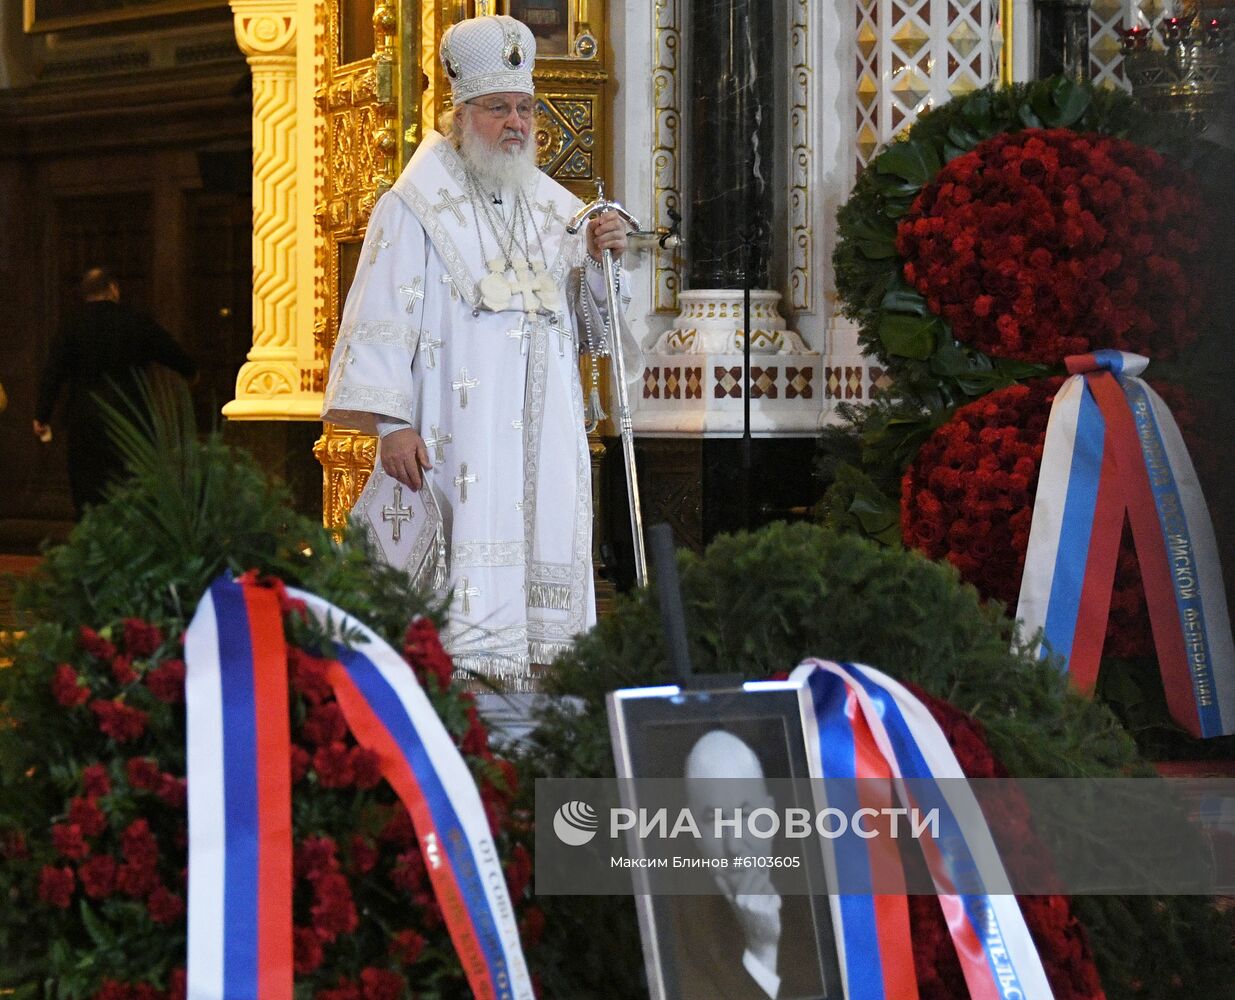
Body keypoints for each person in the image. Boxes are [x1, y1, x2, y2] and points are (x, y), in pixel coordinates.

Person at [321, 14, 631, 685]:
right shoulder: (413, 206)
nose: (516, 123)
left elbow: (593, 331)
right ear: (461, 114)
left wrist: (603, 264)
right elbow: (380, 316)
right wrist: (392, 424)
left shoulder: (555, 208)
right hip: (454, 439)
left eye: (524, 107)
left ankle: (541, 706)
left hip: (543, 444)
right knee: (459, 602)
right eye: (498, 109)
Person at [672, 730, 826, 1000]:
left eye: (746, 816)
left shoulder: (818, 906)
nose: (733, 846)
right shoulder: (677, 933)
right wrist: (762, 951)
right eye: (714, 821)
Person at [34, 267, 197, 516]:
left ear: (84, 294)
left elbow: (53, 373)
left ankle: (92, 539)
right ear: (113, 289)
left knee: (87, 485)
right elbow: (169, 350)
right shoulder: (134, 320)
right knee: (129, 482)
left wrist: (42, 415)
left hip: (85, 417)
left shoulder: (71, 325)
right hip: (129, 414)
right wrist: (191, 373)